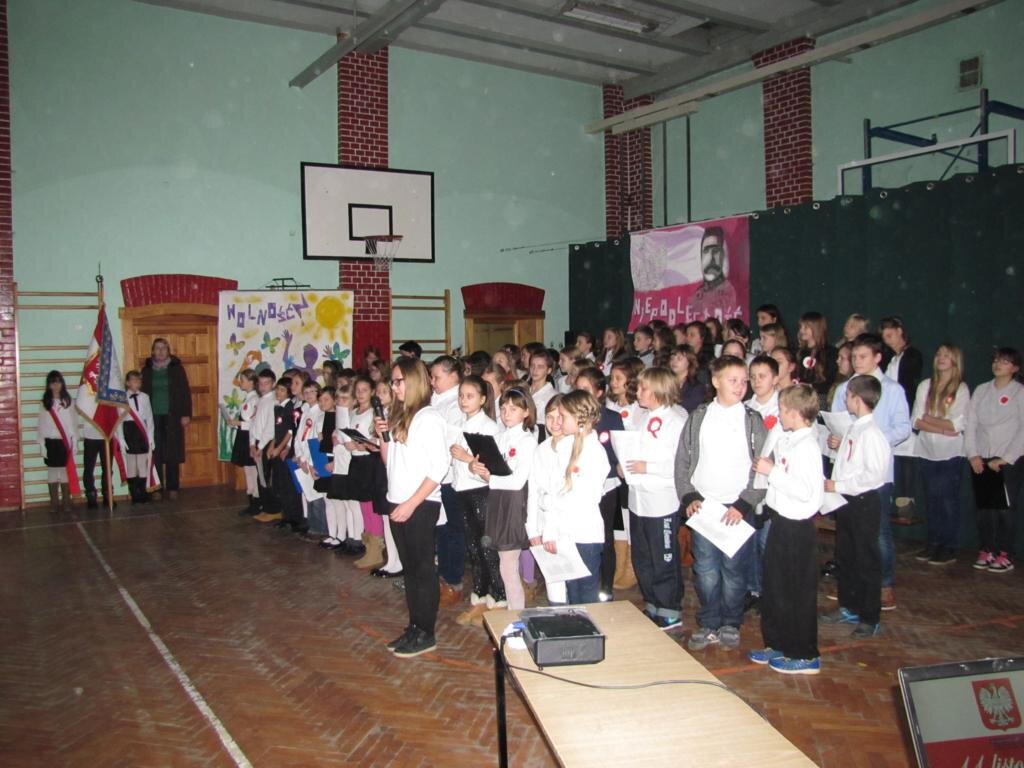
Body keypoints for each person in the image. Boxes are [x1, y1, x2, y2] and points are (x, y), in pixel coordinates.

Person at [677, 356, 768, 651]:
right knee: (705, 569)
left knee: (734, 570)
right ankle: (709, 621)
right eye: (733, 380)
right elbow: (683, 459)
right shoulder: (699, 416)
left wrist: (745, 503)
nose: (740, 386)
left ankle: (730, 621)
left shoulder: (752, 420)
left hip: (736, 508)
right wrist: (689, 495)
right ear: (716, 382)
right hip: (705, 506)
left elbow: (763, 468)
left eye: (744, 381)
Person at [828, 333, 911, 611]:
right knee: (848, 534)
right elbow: (838, 423)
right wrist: (837, 439)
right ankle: (851, 586)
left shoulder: (892, 389)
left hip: (875, 473)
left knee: (878, 532)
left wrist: (868, 441)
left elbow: (903, 428)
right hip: (847, 472)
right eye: (853, 357)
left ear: (878, 357)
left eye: (863, 356)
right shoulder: (846, 388)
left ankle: (884, 584)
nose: (857, 361)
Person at [375, 357, 450, 658]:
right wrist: (382, 437)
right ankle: (415, 626)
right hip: (399, 500)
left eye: (398, 381)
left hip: (419, 503)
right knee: (410, 570)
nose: (394, 387)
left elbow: (440, 466)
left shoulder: (428, 418)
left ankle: (426, 632)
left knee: (422, 569)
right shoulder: (401, 416)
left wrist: (411, 503)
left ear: (414, 381)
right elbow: (388, 461)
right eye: (392, 382)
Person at [749, 384, 824, 674]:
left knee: (797, 591)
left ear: (794, 412)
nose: (778, 415)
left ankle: (804, 653)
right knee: (775, 587)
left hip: (796, 528)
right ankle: (778, 643)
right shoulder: (790, 440)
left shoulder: (807, 447)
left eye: (781, 410)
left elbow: (806, 492)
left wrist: (773, 472)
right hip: (780, 522)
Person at [822, 375, 890, 638]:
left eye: (848, 395)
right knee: (846, 555)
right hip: (847, 501)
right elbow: (849, 462)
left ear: (857, 399)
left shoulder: (872, 434)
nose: (845, 399)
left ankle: (870, 617)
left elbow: (873, 476)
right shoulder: (854, 429)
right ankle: (849, 605)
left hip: (863, 501)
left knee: (866, 560)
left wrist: (838, 485)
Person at [626, 367, 688, 630]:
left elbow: (680, 463)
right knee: (642, 556)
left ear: (659, 390)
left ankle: (669, 608)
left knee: (663, 557)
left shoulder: (675, 420)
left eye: (643, 388)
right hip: (638, 499)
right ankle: (652, 602)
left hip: (661, 501)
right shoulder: (642, 418)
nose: (638, 392)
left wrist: (648, 467)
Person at [469, 388, 537, 611]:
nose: (506, 413)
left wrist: (491, 478)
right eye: (504, 408)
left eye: (513, 409)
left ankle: (517, 616)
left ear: (526, 412)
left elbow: (517, 481)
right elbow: (489, 473)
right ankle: (513, 612)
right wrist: (475, 469)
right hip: (498, 500)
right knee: (505, 566)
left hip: (514, 503)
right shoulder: (499, 437)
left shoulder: (527, 440)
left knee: (508, 566)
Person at [448, 375, 504, 626]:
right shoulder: (461, 423)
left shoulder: (489, 427)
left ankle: (498, 598)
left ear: (482, 399)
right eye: (461, 395)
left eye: (469, 396)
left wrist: (466, 458)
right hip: (463, 491)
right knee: (474, 547)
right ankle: (480, 597)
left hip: (482, 493)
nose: (463, 400)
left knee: (487, 547)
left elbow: (492, 468)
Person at [544, 391, 609, 604]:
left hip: (584, 533)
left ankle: (587, 625)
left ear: (579, 418)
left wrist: (564, 496)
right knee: (571, 590)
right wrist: (551, 531)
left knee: (587, 592)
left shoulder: (595, 452)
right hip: (564, 533)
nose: (558, 422)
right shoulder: (564, 447)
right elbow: (554, 491)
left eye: (563, 416)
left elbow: (588, 497)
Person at [964, 347, 1024, 573]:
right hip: (982, 458)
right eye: (997, 360)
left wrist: (1005, 459)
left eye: (1005, 362)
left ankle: (1005, 554)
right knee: (985, 510)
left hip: (1007, 460)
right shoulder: (981, 390)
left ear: (1015, 368)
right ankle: (987, 549)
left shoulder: (1019, 392)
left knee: (1004, 510)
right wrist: (973, 454)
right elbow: (971, 424)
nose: (998, 364)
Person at [911, 344, 969, 566]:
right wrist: (941, 427)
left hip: (950, 453)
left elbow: (957, 425)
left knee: (947, 500)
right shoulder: (925, 385)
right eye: (939, 354)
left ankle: (949, 546)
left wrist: (930, 420)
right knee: (932, 500)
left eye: (947, 355)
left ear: (955, 361)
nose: (941, 358)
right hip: (927, 451)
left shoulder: (960, 388)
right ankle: (933, 542)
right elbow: (916, 420)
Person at [574, 368, 624, 601]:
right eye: (578, 388)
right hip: (578, 485)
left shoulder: (611, 418)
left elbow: (618, 454)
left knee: (605, 535)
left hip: (606, 485)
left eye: (586, 389)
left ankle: (605, 587)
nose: (580, 392)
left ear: (599, 392)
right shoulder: (572, 416)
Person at [744, 354, 781, 611]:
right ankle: (753, 589)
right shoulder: (745, 406)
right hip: (749, 482)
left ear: (775, 379)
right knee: (750, 540)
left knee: (768, 543)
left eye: (763, 376)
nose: (757, 381)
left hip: (773, 484)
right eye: (753, 376)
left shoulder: (782, 409)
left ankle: (772, 591)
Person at [429, 355, 466, 609]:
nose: (432, 382)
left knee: (453, 529)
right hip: (434, 475)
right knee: (440, 528)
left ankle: (453, 581)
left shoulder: (455, 404)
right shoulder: (436, 399)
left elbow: (448, 442)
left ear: (453, 376)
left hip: (450, 477)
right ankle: (442, 576)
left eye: (436, 377)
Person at [880, 316, 924, 515]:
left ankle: (905, 505)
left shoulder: (912, 355)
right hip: (888, 416)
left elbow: (906, 387)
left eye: (890, 335)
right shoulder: (891, 359)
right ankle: (889, 503)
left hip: (903, 413)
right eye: (884, 337)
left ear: (900, 331)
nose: (887, 341)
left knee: (905, 460)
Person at [142, 338, 192, 501]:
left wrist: (186, 414)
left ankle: (173, 487)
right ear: (152, 351)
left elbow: (185, 392)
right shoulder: (146, 370)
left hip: (173, 416)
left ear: (168, 351)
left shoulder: (177, 369)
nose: (161, 351)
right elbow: (142, 394)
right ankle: (157, 487)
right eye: (157, 348)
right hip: (153, 417)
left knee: (172, 452)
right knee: (155, 452)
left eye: (164, 348)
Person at [38, 370, 78, 511]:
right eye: (53, 383)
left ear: (62, 383)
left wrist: (75, 441)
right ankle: (54, 503)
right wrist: (41, 443)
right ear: (49, 385)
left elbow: (73, 423)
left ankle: (66, 501)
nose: (56, 385)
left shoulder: (68, 402)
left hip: (64, 441)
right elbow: (41, 424)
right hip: (51, 440)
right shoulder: (45, 403)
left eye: (58, 382)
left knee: (65, 470)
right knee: (52, 471)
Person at [118, 370, 156, 505]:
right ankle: (134, 493)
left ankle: (143, 492)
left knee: (142, 463)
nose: (137, 383)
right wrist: (121, 439)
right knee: (131, 464)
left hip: (141, 432)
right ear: (127, 383)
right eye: (134, 380)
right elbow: (119, 420)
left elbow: (149, 418)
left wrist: (151, 437)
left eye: (139, 380)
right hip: (129, 431)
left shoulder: (145, 397)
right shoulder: (122, 398)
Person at [689, 226, 739, 321]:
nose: (711, 257)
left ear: (723, 255)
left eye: (716, 251)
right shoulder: (696, 295)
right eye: (706, 251)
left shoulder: (729, 293)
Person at [229, 368, 260, 515]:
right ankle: (251, 500)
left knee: (253, 470)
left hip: (250, 437)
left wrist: (239, 423)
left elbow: (254, 423)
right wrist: (236, 424)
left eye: (242, 380)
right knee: (248, 470)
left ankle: (256, 502)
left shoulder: (255, 400)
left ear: (251, 382)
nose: (240, 383)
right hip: (244, 436)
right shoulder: (248, 398)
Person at [249, 368, 278, 519]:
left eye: (267, 383)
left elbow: (270, 428)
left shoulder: (273, 401)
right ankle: (265, 507)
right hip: (258, 443)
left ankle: (272, 510)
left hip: (265, 443)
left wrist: (260, 447)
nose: (263, 386)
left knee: (266, 478)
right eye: (260, 383)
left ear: (273, 384)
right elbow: (254, 423)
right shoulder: (260, 400)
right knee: (260, 478)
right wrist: (252, 443)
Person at [795, 311, 838, 406]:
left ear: (816, 328)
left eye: (806, 327)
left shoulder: (830, 352)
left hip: (819, 397)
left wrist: (811, 386)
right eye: (801, 327)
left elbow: (830, 379)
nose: (802, 330)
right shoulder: (799, 352)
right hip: (800, 395)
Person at [669, 344, 706, 414]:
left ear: (689, 362)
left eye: (679, 359)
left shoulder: (696, 388)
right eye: (672, 358)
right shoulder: (666, 382)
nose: (674, 361)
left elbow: (687, 411)